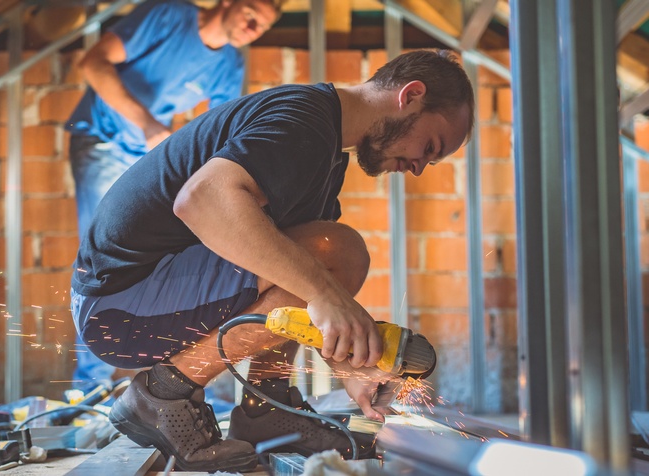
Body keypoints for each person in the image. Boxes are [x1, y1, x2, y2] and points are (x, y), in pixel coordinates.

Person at [69, 49, 474, 472]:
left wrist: (352, 365)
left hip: (132, 297)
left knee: (320, 260)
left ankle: (266, 407)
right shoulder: (303, 121)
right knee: (337, 253)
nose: (419, 168)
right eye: (430, 146)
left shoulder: (325, 148)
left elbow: (299, 285)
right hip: (119, 305)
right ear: (411, 96)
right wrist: (324, 294)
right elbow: (203, 200)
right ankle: (163, 394)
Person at [65, 0, 281, 392]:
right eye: (251, 14)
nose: (253, 29)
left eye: (262, 27)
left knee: (162, 258)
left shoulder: (229, 64)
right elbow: (93, 62)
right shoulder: (168, 15)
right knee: (99, 264)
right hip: (103, 139)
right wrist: (147, 123)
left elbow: (222, 134)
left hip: (144, 158)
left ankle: (162, 387)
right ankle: (87, 387)